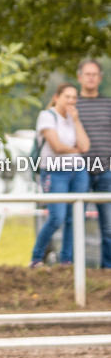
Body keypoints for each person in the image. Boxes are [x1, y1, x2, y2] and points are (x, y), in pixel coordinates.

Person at [30, 83, 90, 268]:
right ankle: (36, 257)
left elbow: (85, 146)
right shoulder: (46, 117)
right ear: (57, 97)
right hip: (55, 172)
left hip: (78, 172)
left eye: (74, 97)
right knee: (57, 218)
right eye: (67, 97)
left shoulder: (73, 119)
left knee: (75, 218)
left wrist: (77, 121)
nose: (71, 101)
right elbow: (56, 147)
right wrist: (75, 149)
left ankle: (67, 259)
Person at [76, 59, 111, 269]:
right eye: (87, 74)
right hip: (78, 172)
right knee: (75, 221)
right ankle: (74, 267)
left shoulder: (108, 105)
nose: (91, 77)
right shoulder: (72, 104)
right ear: (80, 77)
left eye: (94, 74)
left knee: (108, 225)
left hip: (106, 171)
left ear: (100, 78)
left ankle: (107, 269)